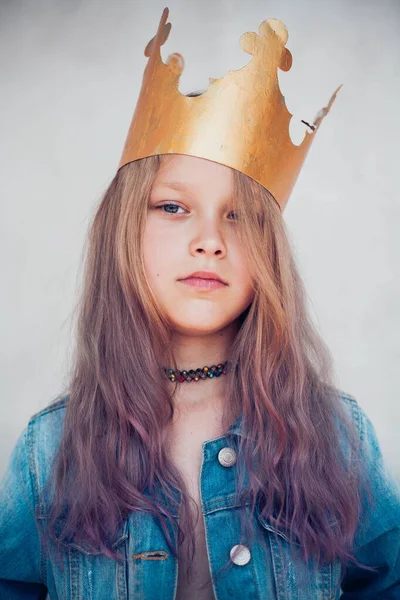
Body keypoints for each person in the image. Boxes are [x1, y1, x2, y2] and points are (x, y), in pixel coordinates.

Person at [1, 7, 399, 600]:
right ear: (123, 231)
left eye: (237, 216)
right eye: (173, 207)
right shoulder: (50, 451)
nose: (210, 240)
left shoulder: (338, 437)